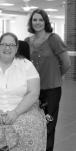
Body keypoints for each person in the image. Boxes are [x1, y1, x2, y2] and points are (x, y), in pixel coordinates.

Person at [0, 32, 47, 151]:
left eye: (11, 45)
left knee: (30, 126)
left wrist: (16, 112)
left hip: (22, 110)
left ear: (16, 48)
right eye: (4, 44)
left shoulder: (27, 65)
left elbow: (33, 93)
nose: (7, 48)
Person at [25, 9, 71, 151]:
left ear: (45, 22)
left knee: (48, 123)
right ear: (31, 23)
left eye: (40, 20)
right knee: (33, 123)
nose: (37, 22)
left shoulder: (53, 39)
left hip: (51, 90)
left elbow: (66, 63)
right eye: (34, 20)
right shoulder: (27, 41)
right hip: (33, 90)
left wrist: (56, 75)